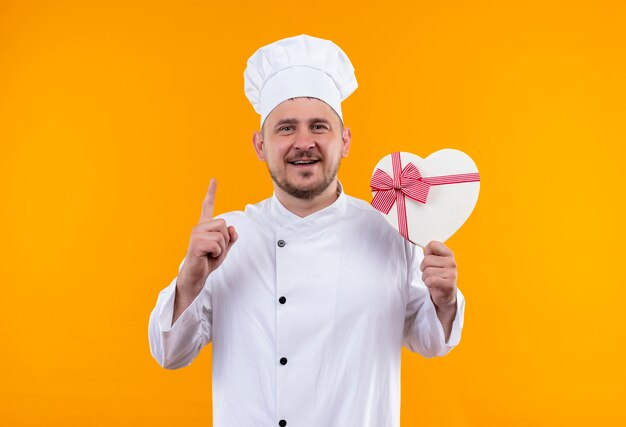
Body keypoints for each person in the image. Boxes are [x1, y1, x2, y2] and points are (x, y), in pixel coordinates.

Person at [148, 34, 466, 427]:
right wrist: (189, 282)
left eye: (319, 126)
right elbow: (170, 354)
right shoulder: (225, 238)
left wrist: (445, 300)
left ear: (345, 141)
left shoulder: (390, 232)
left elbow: (431, 341)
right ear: (259, 145)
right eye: (285, 128)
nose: (304, 143)